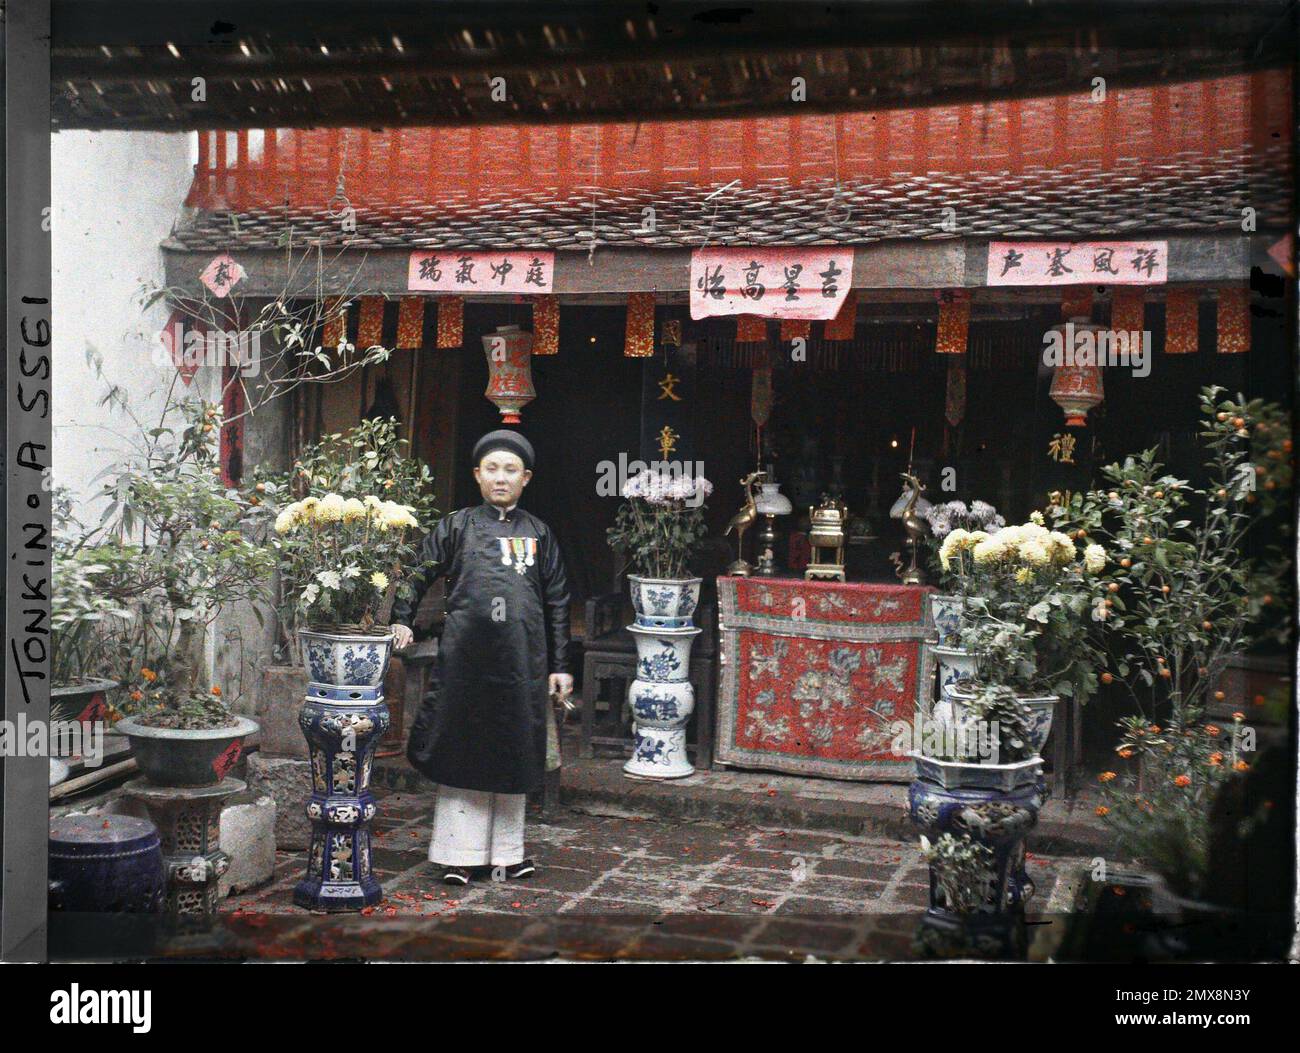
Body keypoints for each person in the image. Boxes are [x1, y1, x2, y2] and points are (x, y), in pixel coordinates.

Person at [390, 429, 573, 885]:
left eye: (510, 470)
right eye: (491, 468)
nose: (500, 477)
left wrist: (561, 666)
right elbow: (417, 573)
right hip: (467, 660)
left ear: (526, 478)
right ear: (477, 474)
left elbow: (558, 601)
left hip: (522, 664)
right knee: (463, 747)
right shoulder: (457, 526)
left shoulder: (539, 534)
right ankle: (458, 855)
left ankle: (507, 855)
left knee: (513, 751)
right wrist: (402, 618)